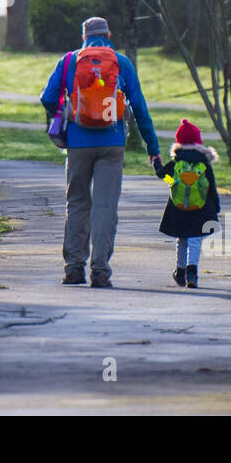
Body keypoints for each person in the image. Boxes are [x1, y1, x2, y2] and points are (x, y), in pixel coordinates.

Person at [41, 16, 161, 288]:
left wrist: (64, 112)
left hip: (78, 142)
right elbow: (140, 108)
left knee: (78, 203)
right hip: (112, 143)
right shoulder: (122, 63)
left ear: (84, 37)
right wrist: (153, 149)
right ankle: (100, 270)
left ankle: (73, 268)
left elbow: (48, 97)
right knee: (105, 207)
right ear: (109, 34)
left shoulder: (70, 61)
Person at [154, 119, 220, 289]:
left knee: (181, 239)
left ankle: (180, 271)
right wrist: (216, 206)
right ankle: (193, 273)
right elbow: (211, 186)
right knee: (195, 240)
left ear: (179, 141)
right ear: (198, 142)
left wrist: (160, 167)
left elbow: (162, 174)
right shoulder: (203, 163)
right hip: (200, 208)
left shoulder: (177, 162)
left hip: (178, 208)